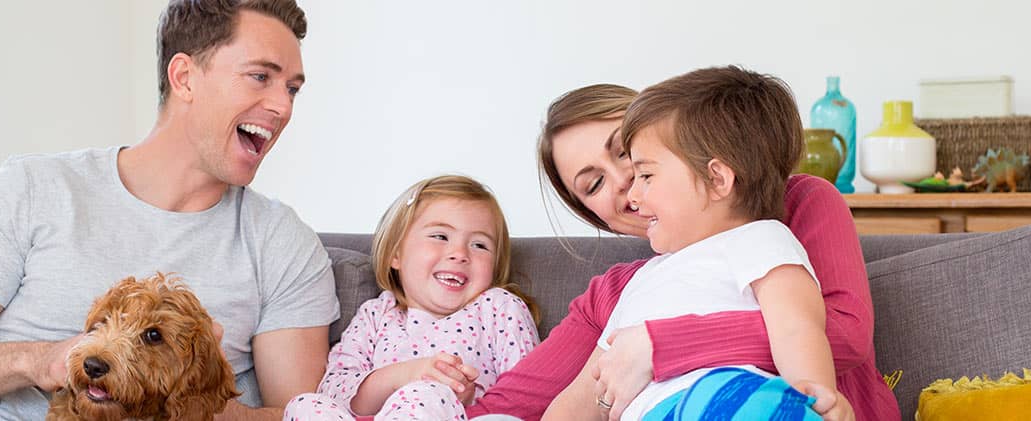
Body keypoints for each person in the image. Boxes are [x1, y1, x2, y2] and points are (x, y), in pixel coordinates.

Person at [0, 1, 332, 419]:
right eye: (260, 77)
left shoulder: (281, 244)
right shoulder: (35, 187)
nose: (283, 106)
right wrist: (44, 360)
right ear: (184, 77)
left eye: (292, 89)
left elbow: (305, 415)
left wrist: (184, 399)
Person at [464, 79, 901, 420]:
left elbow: (841, 335)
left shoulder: (789, 208)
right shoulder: (624, 290)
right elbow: (518, 406)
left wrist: (659, 346)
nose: (624, 181)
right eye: (593, 184)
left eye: (630, 155)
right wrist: (428, 387)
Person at [543, 65, 831, 419]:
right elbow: (587, 392)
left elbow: (795, 326)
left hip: (724, 399)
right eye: (594, 184)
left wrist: (817, 395)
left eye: (646, 175)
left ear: (717, 179)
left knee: (734, 398)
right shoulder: (640, 281)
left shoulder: (760, 238)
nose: (631, 191)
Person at [284, 175, 540, 421]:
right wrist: (403, 375)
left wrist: (465, 399)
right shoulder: (377, 314)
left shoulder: (500, 307)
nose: (460, 254)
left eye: (480, 245)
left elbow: (529, 396)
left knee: (426, 394)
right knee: (305, 404)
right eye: (440, 236)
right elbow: (335, 390)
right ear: (396, 254)